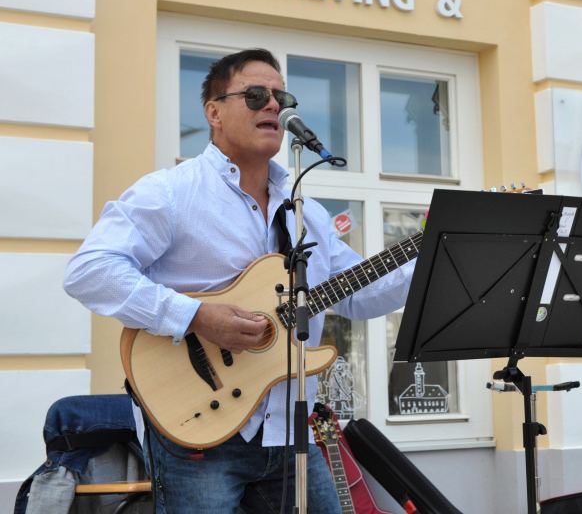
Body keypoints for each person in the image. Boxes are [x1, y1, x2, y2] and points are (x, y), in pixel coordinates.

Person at [64, 48, 413, 513]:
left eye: (281, 96)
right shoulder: (170, 192)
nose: (273, 105)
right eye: (255, 95)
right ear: (213, 112)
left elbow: (358, 292)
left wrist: (433, 255)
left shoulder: (306, 209)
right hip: (197, 433)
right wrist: (195, 317)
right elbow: (90, 271)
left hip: (289, 432)